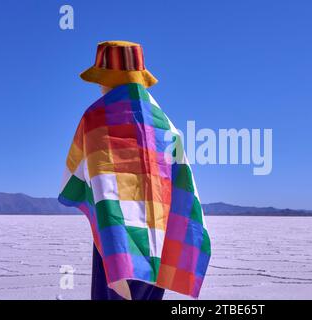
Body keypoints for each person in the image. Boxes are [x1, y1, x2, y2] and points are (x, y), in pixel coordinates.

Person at [58, 40, 211, 300]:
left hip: (115, 237)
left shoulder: (96, 117)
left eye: (101, 78)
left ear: (111, 78)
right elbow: (183, 186)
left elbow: (83, 173)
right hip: (160, 236)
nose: (98, 85)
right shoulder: (166, 126)